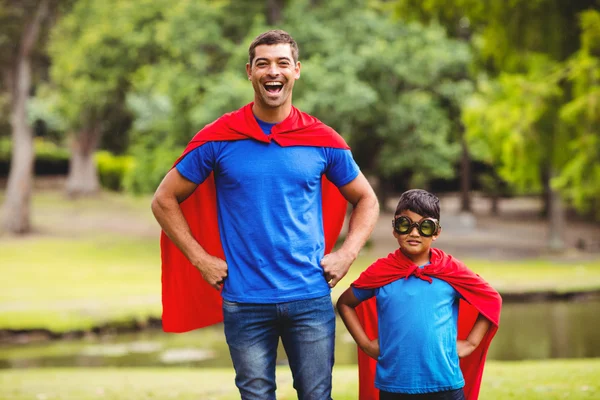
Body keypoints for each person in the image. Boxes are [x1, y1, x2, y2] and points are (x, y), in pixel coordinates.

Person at [151, 29, 379, 400]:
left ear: (297, 70)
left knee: (316, 395)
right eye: (263, 64)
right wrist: (200, 258)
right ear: (249, 72)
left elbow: (367, 199)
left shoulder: (322, 139)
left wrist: (347, 253)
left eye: (282, 63)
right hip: (244, 300)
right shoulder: (220, 138)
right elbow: (163, 199)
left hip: (309, 296)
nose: (273, 71)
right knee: (255, 396)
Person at [336, 189, 502, 400]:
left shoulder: (450, 270)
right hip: (394, 386)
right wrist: (366, 344)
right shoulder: (381, 271)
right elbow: (345, 303)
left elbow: (491, 299)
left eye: (425, 226)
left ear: (436, 232)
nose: (414, 233)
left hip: (446, 385)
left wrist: (470, 343)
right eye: (405, 224)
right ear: (395, 229)